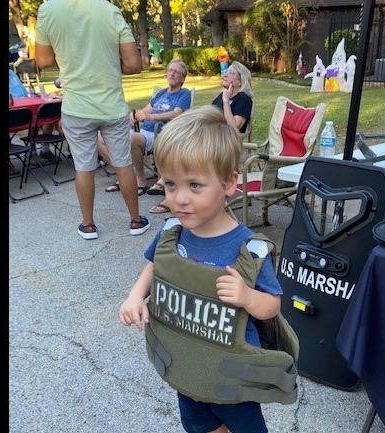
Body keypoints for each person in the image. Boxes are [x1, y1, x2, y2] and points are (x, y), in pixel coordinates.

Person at [119, 106, 288, 433]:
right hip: (186, 366)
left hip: (232, 374)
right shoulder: (171, 233)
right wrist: (134, 297)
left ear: (228, 183)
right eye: (170, 184)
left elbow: (272, 307)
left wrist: (247, 296)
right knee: (198, 425)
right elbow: (156, 266)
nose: (179, 198)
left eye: (195, 185)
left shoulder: (248, 249)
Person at [36, 0, 150, 240]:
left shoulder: (49, 10)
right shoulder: (110, 11)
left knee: (84, 167)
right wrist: (106, 61)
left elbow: (43, 60)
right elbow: (133, 64)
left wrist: (72, 60)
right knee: (122, 163)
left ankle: (88, 225)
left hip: (76, 107)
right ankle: (135, 221)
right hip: (111, 106)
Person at [98, 59, 191, 197]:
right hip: (143, 131)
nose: (172, 74)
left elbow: (176, 113)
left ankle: (140, 180)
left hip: (161, 134)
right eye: (170, 70)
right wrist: (134, 115)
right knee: (99, 136)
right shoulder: (161, 93)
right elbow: (145, 110)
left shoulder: (184, 94)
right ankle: (126, 174)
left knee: (132, 138)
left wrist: (152, 117)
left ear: (183, 78)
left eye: (176, 72)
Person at [211, 61, 253, 134]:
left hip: (227, 141)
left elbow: (234, 128)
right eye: (226, 72)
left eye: (231, 73)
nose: (225, 75)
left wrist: (226, 101)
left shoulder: (244, 99)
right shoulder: (222, 95)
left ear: (240, 81)